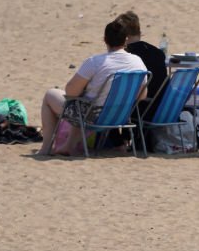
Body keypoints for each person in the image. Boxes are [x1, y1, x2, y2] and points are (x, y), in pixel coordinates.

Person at [39, 17, 147, 155]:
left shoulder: (95, 62)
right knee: (85, 100)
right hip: (120, 115)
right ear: (126, 40)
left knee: (51, 95)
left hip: (92, 117)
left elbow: (71, 92)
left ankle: (46, 148)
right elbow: (142, 95)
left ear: (105, 40)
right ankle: (68, 145)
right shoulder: (138, 62)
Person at [116, 11, 168, 117]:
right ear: (139, 33)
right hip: (158, 109)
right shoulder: (158, 53)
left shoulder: (126, 56)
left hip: (136, 111)